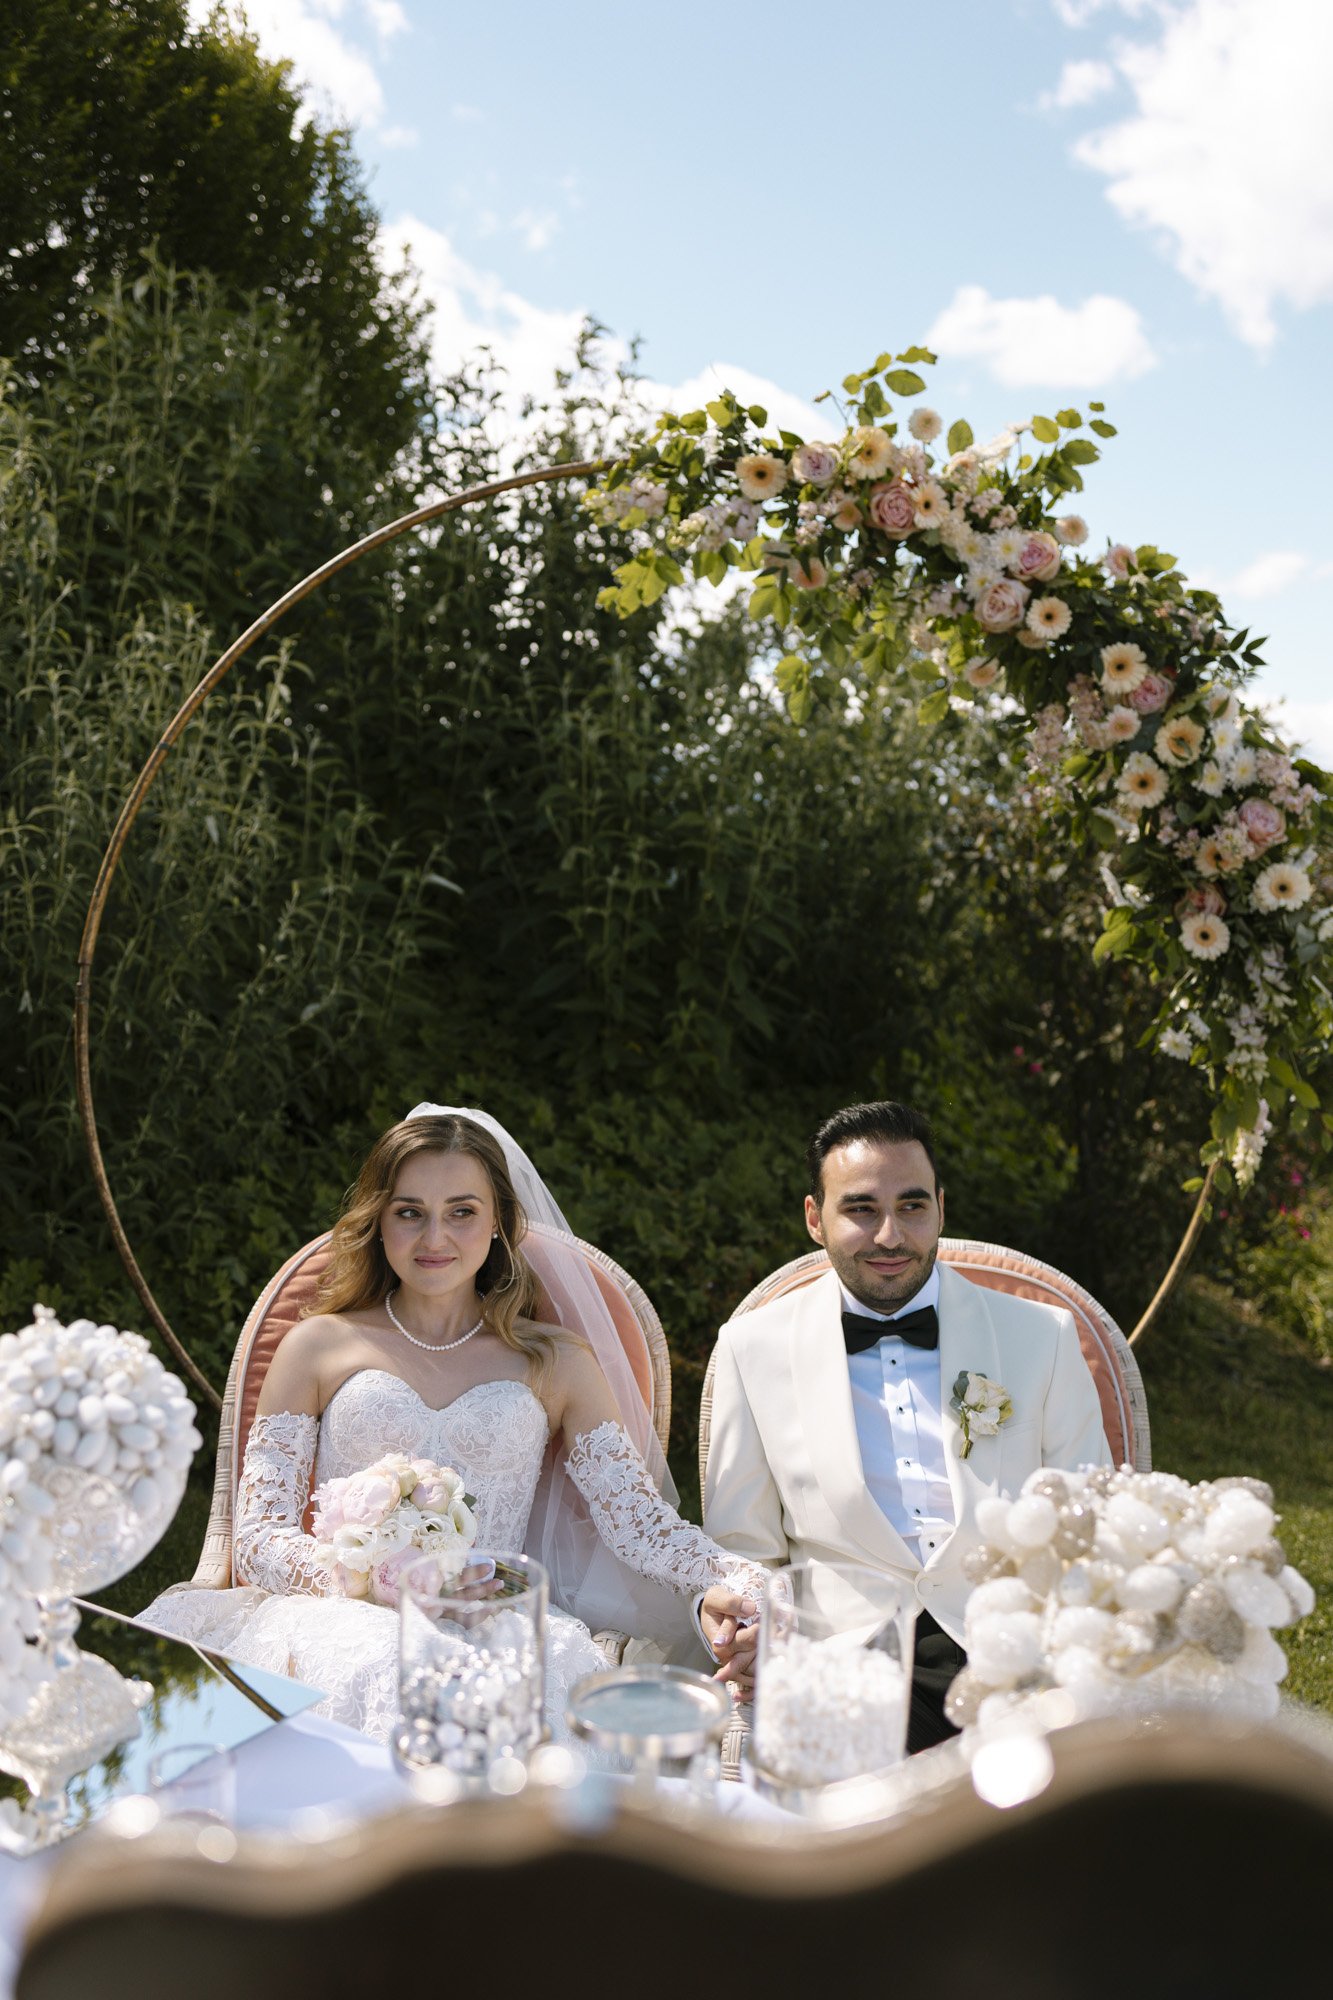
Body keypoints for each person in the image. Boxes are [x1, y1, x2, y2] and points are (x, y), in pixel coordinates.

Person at [140, 1107, 764, 1742]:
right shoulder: (317, 1346)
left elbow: (640, 1523)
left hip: (493, 1626)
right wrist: (373, 1578)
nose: (434, 1237)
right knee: (380, 1660)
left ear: (498, 1224)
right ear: (379, 1222)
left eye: (461, 1211)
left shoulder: (555, 1361)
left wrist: (731, 1581)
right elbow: (257, 1538)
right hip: (337, 1613)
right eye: (409, 1211)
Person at [698, 1099, 1111, 1752]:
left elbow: (1088, 1520)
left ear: (940, 1209)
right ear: (815, 1218)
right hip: (839, 1657)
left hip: (1011, 1652)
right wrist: (746, 1629)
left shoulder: (1041, 1337)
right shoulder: (753, 1348)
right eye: (860, 1209)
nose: (889, 1235)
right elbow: (740, 1548)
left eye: (911, 1207)